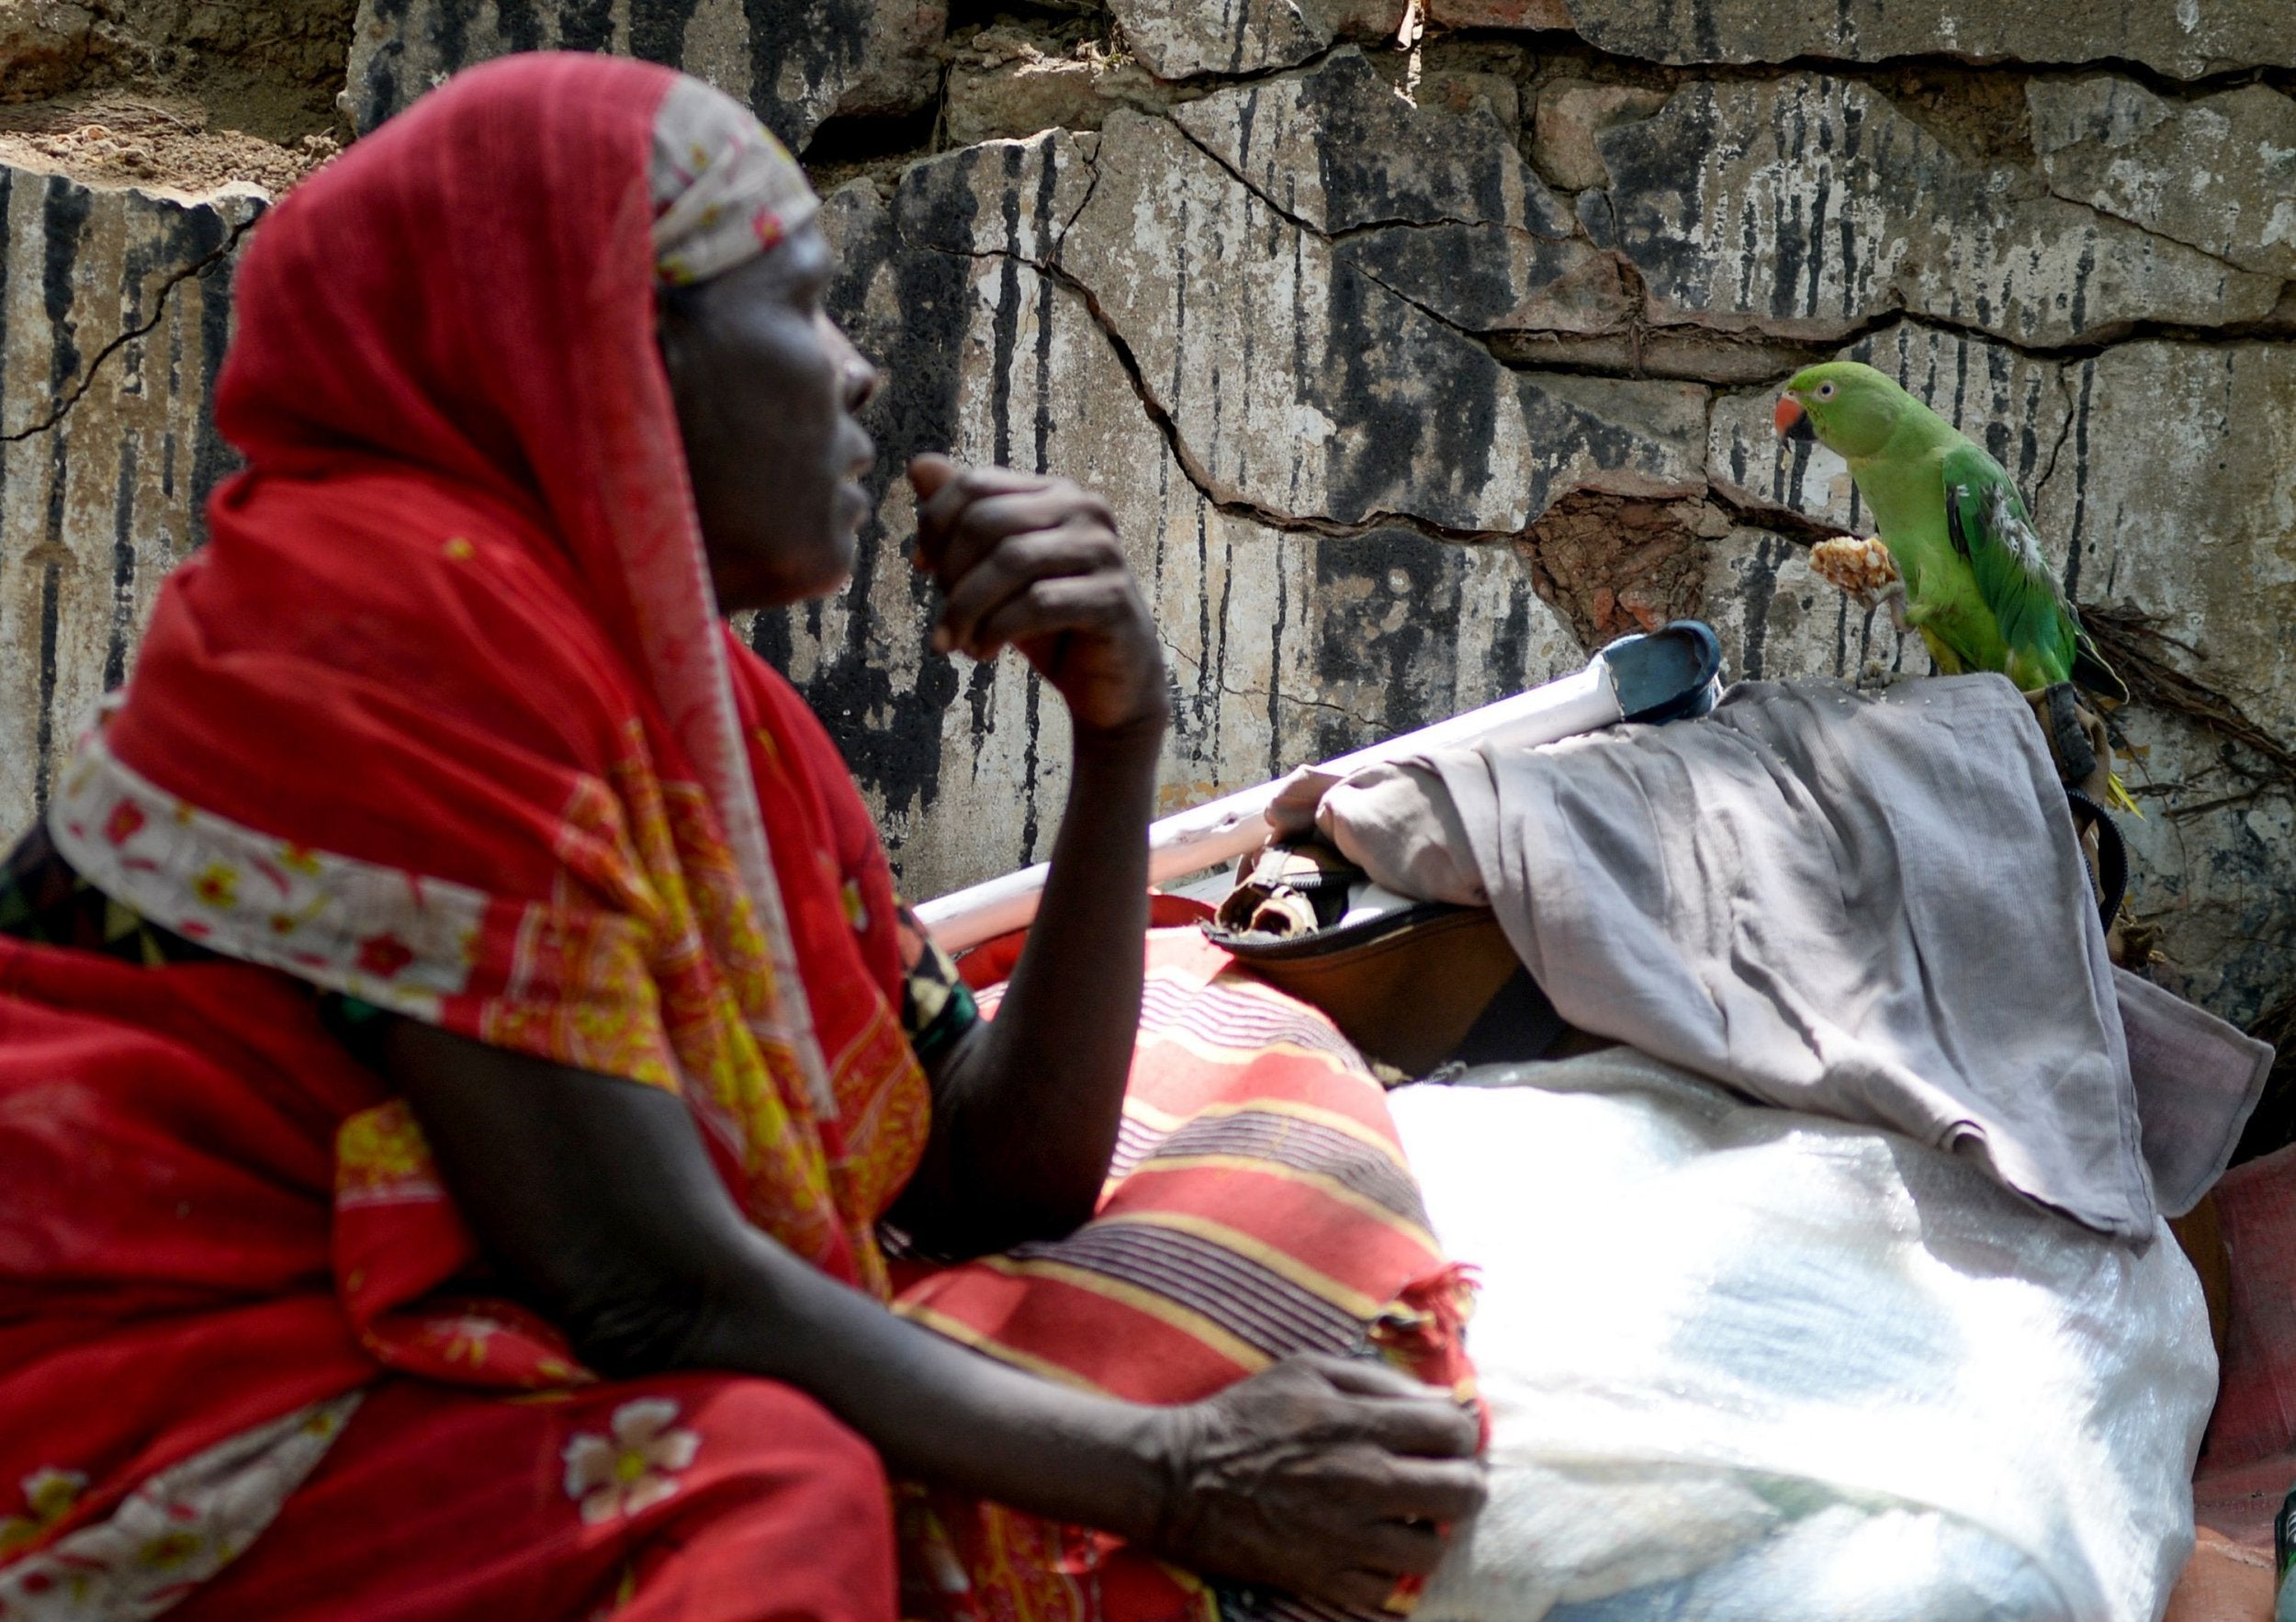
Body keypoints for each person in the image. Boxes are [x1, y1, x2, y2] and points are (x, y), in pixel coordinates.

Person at [0, 51, 1481, 1622]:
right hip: (158, 1385)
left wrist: (1118, 750)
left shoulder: (714, 725)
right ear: (601, 354)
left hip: (543, 1323)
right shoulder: (390, 625)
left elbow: (993, 1176)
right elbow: (646, 1285)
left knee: (1255, 1136)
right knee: (776, 1484)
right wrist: (1177, 1470)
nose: (854, 375)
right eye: (798, 302)